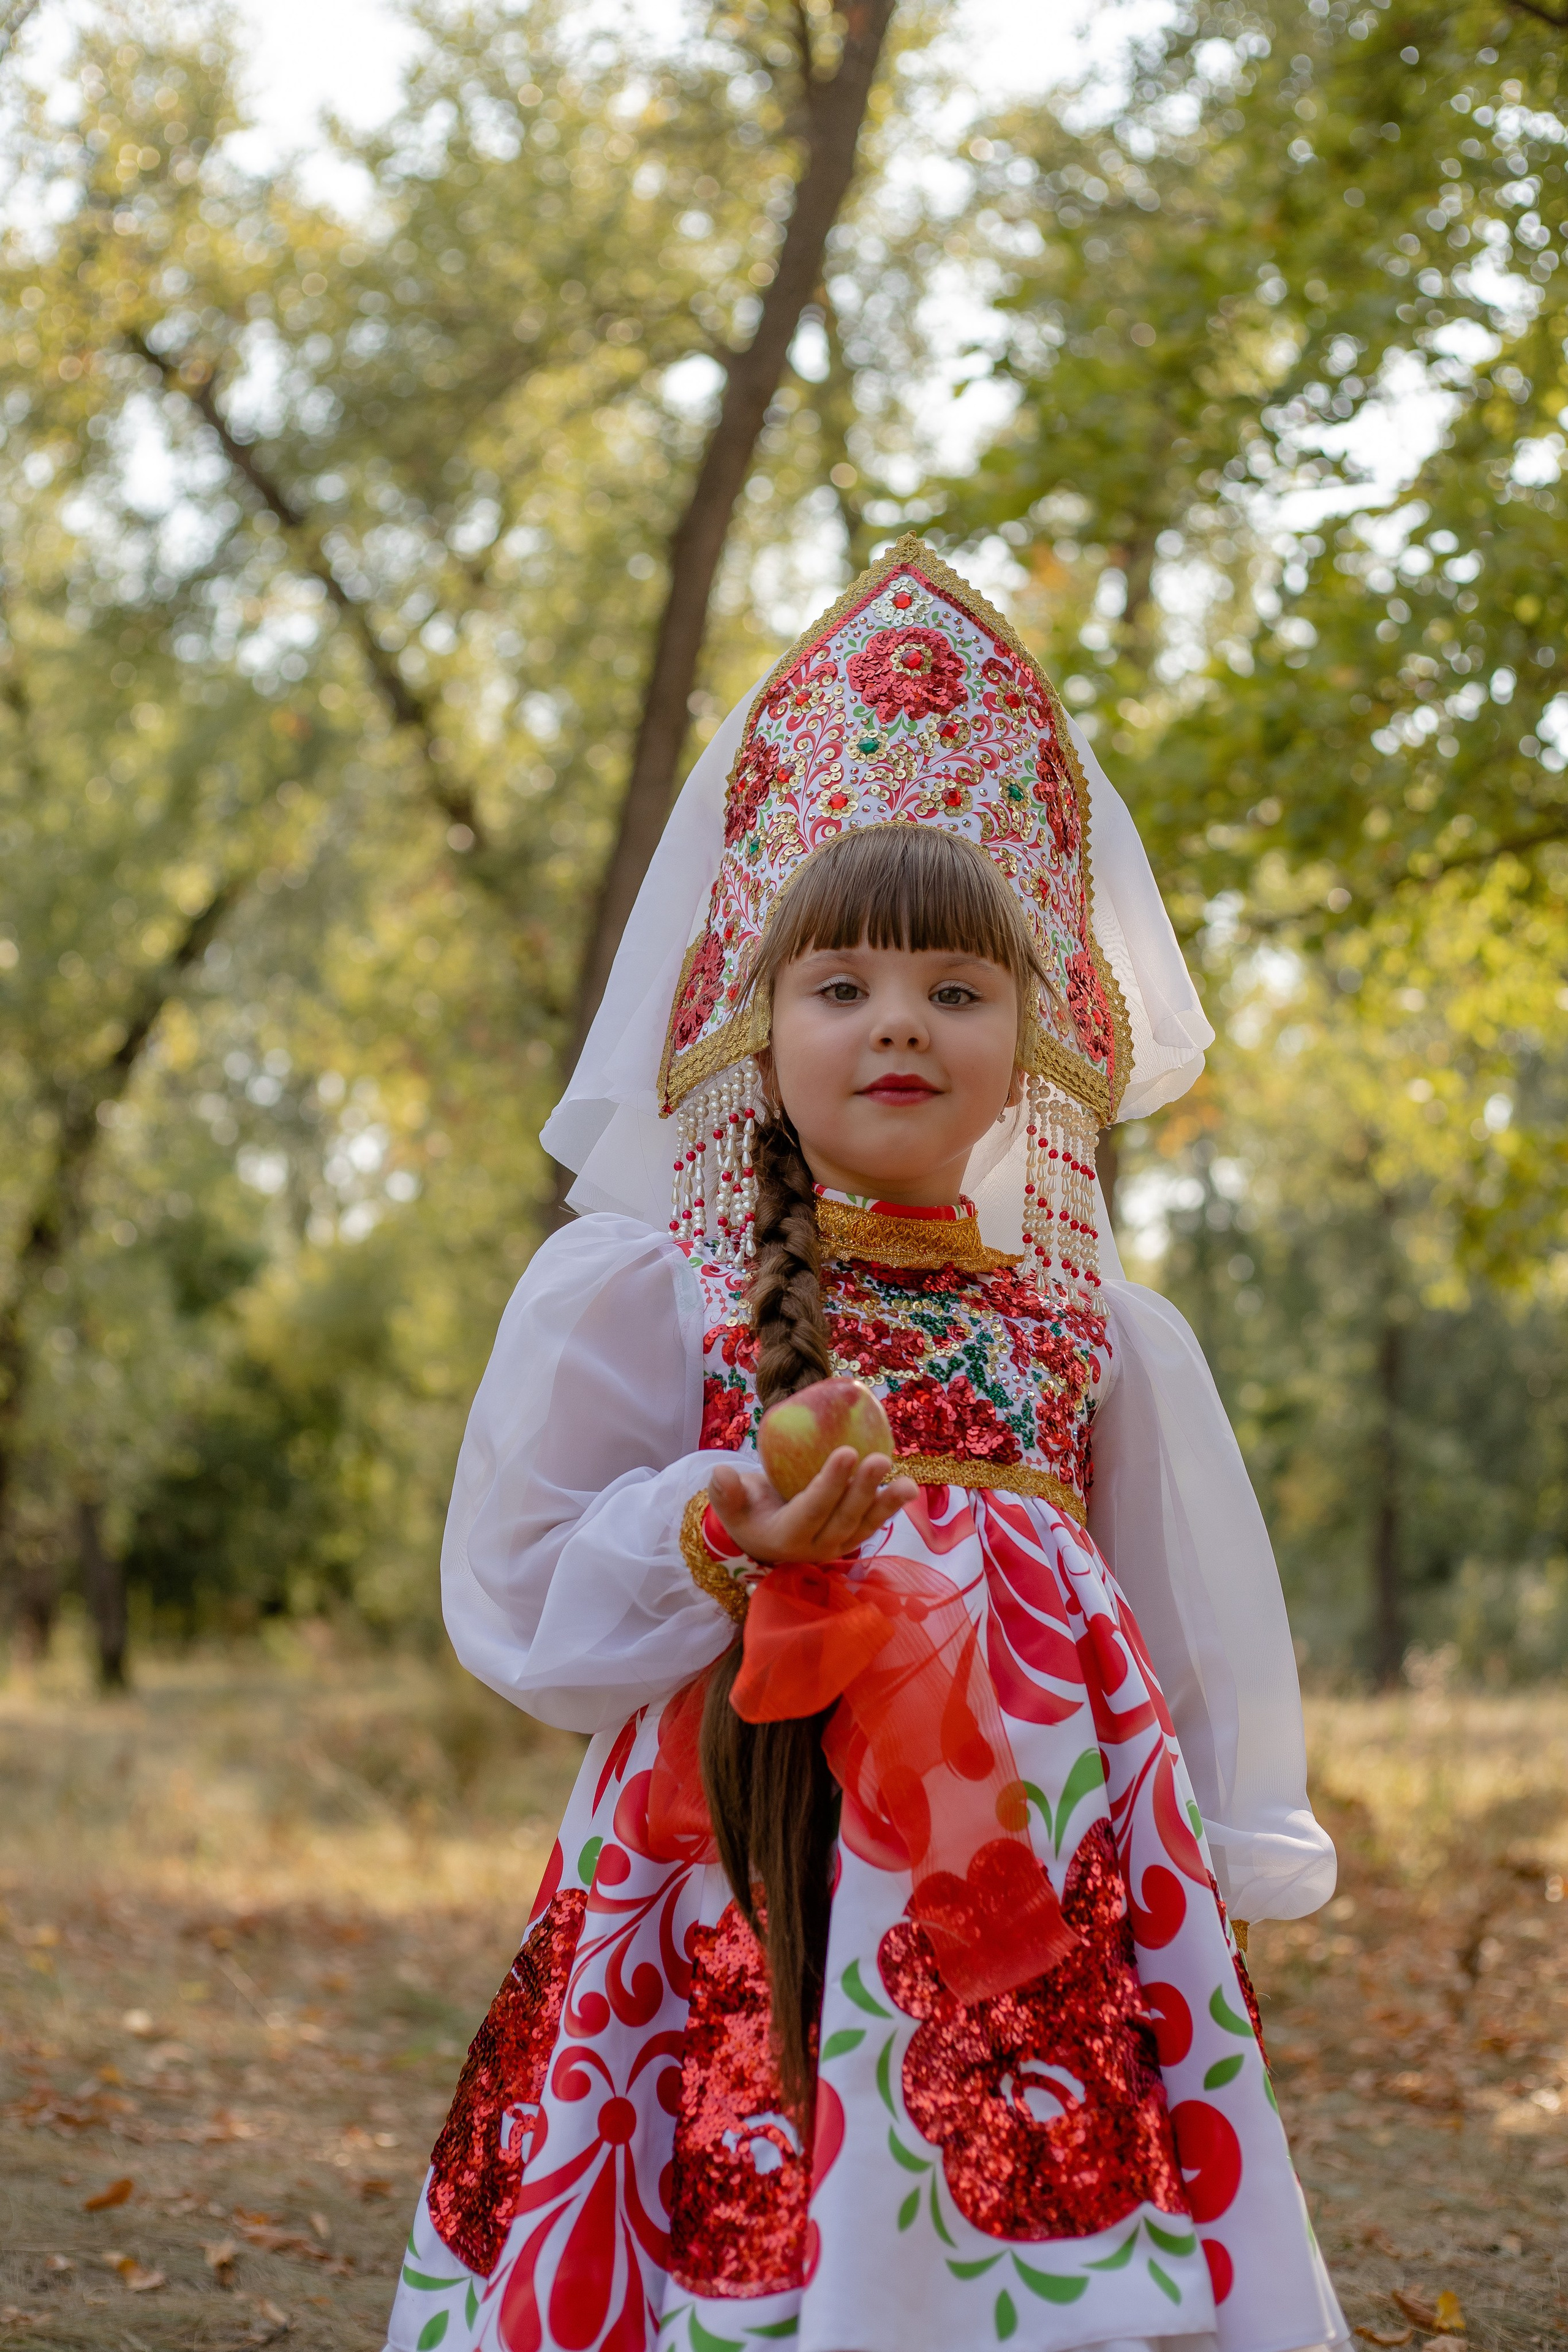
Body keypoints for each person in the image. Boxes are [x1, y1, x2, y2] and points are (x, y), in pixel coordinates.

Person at [383, 538, 1346, 2352]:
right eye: (840, 983)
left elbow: (1185, 1603)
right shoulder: (652, 1290)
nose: (898, 1016)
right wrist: (725, 1520)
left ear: (1030, 1054)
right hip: (730, 1847)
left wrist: (1226, 1833)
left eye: (956, 989)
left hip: (1040, 1864)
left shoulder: (1097, 1330)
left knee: (1018, 2192)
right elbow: (519, 1582)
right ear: (757, 1027)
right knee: (734, 2153)